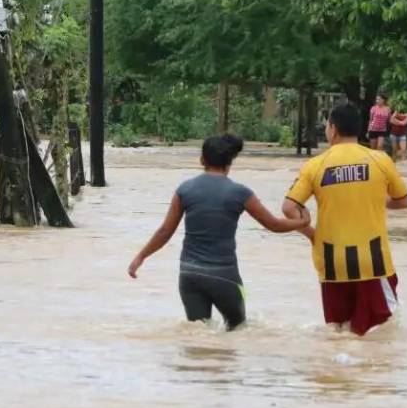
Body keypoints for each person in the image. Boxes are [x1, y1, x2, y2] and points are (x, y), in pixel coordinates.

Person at [128, 133, 311, 330]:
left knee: (199, 333)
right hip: (225, 277)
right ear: (230, 161)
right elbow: (273, 225)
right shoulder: (240, 193)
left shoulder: (185, 189)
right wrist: (302, 221)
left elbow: (165, 231)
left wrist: (140, 257)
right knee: (239, 330)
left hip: (190, 275)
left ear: (202, 160)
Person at [282, 103, 407, 336]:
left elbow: (289, 207)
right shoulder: (380, 160)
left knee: (339, 332)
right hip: (373, 261)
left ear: (333, 129)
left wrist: (311, 234)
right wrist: (379, 202)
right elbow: (403, 200)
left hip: (332, 262)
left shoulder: (314, 165)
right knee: (379, 335)